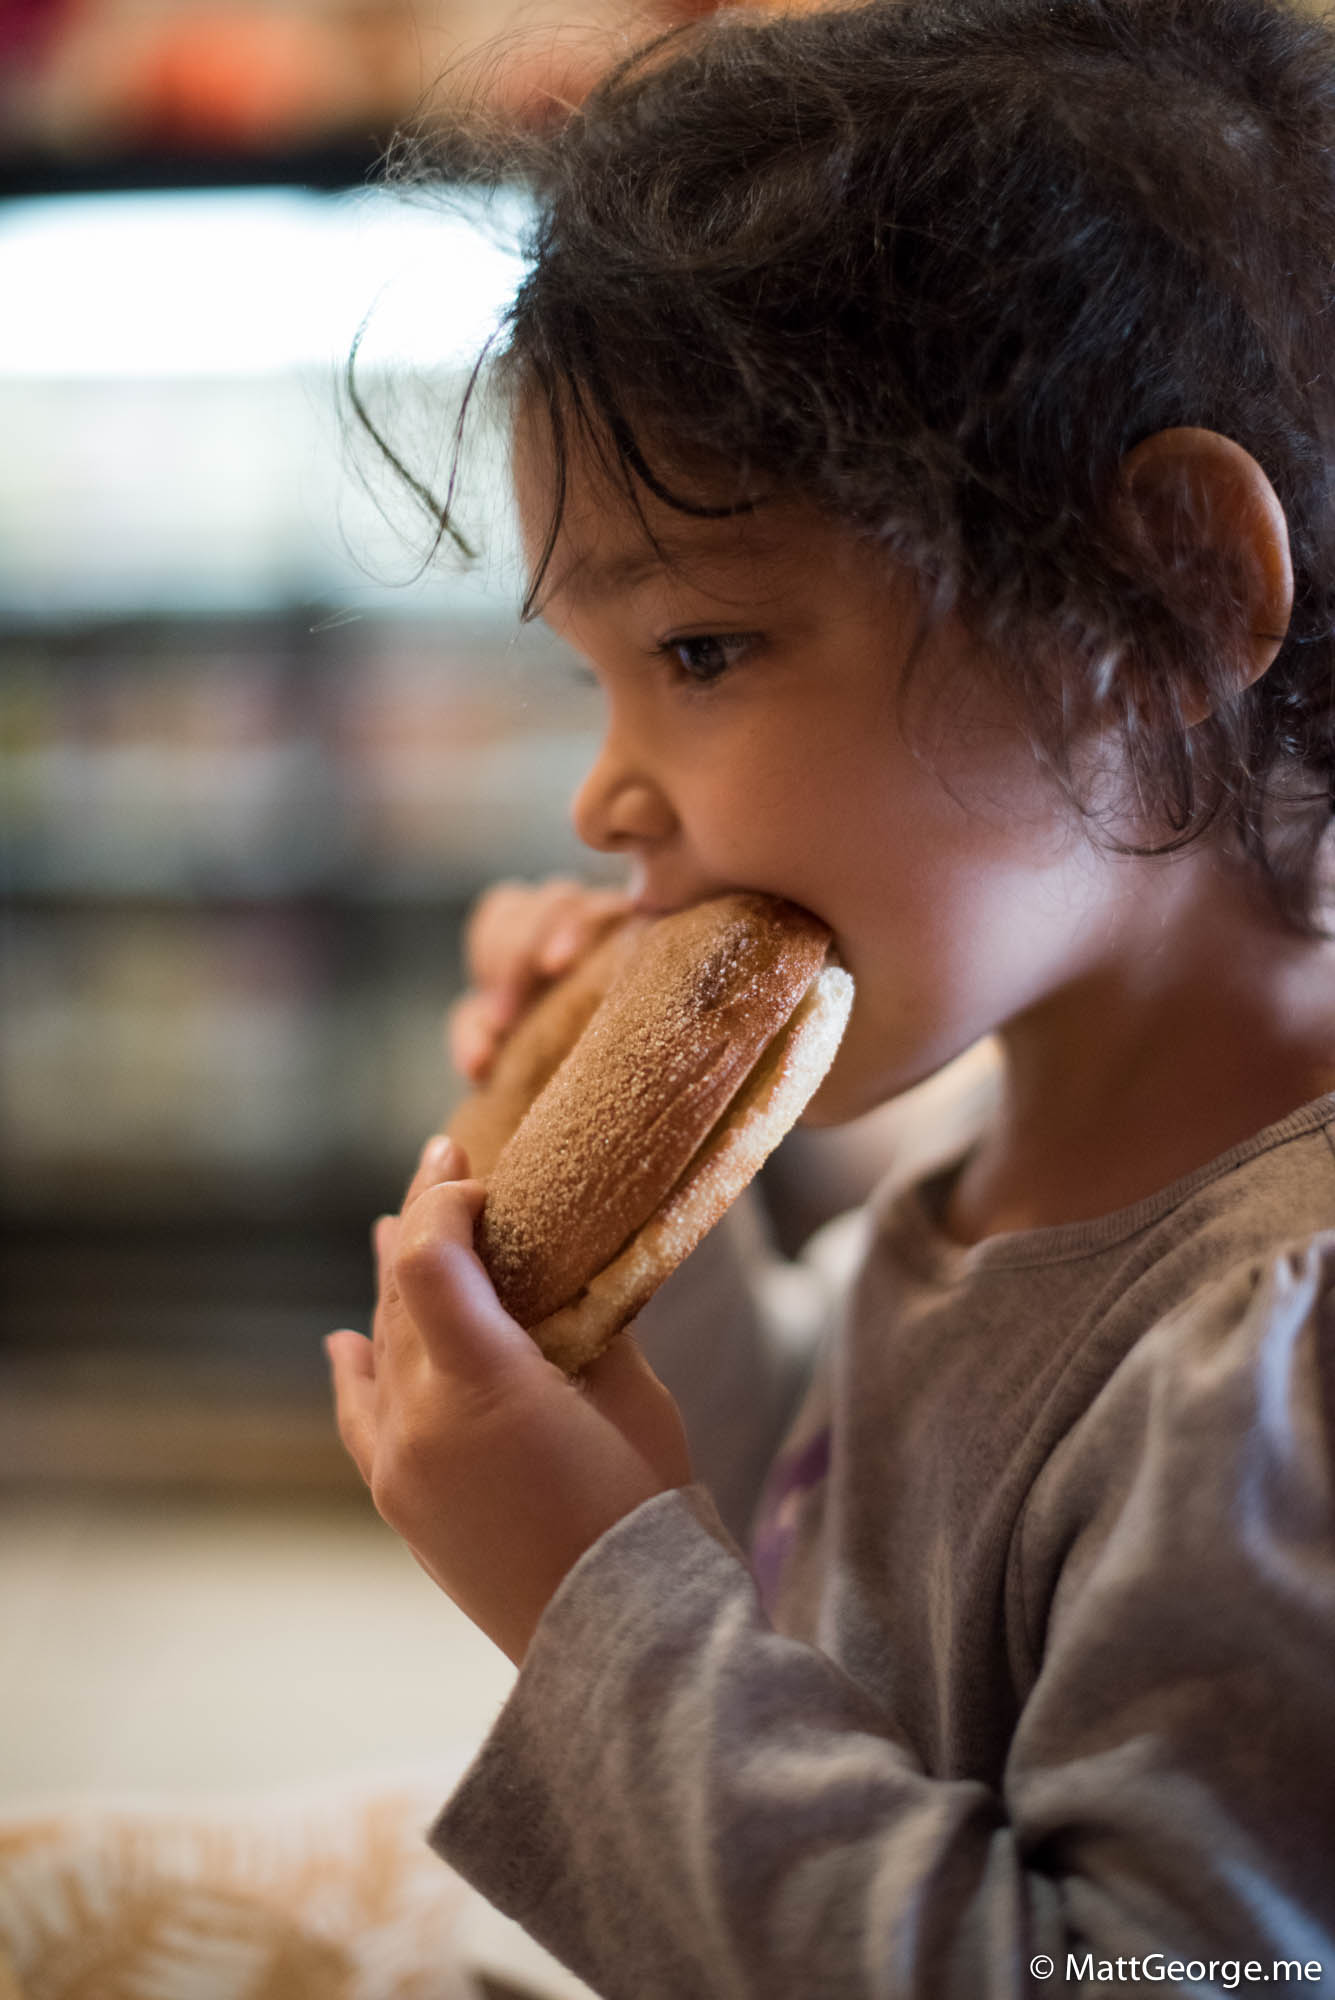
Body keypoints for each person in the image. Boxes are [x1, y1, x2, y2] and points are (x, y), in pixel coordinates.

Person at [325, 0, 1335, 1990]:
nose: (605, 792)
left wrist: (590, 1606)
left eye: (699, 650)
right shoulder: (1011, 1161)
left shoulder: (1279, 1356)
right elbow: (831, 1518)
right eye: (591, 678)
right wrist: (630, 1274)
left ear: (1165, 599)